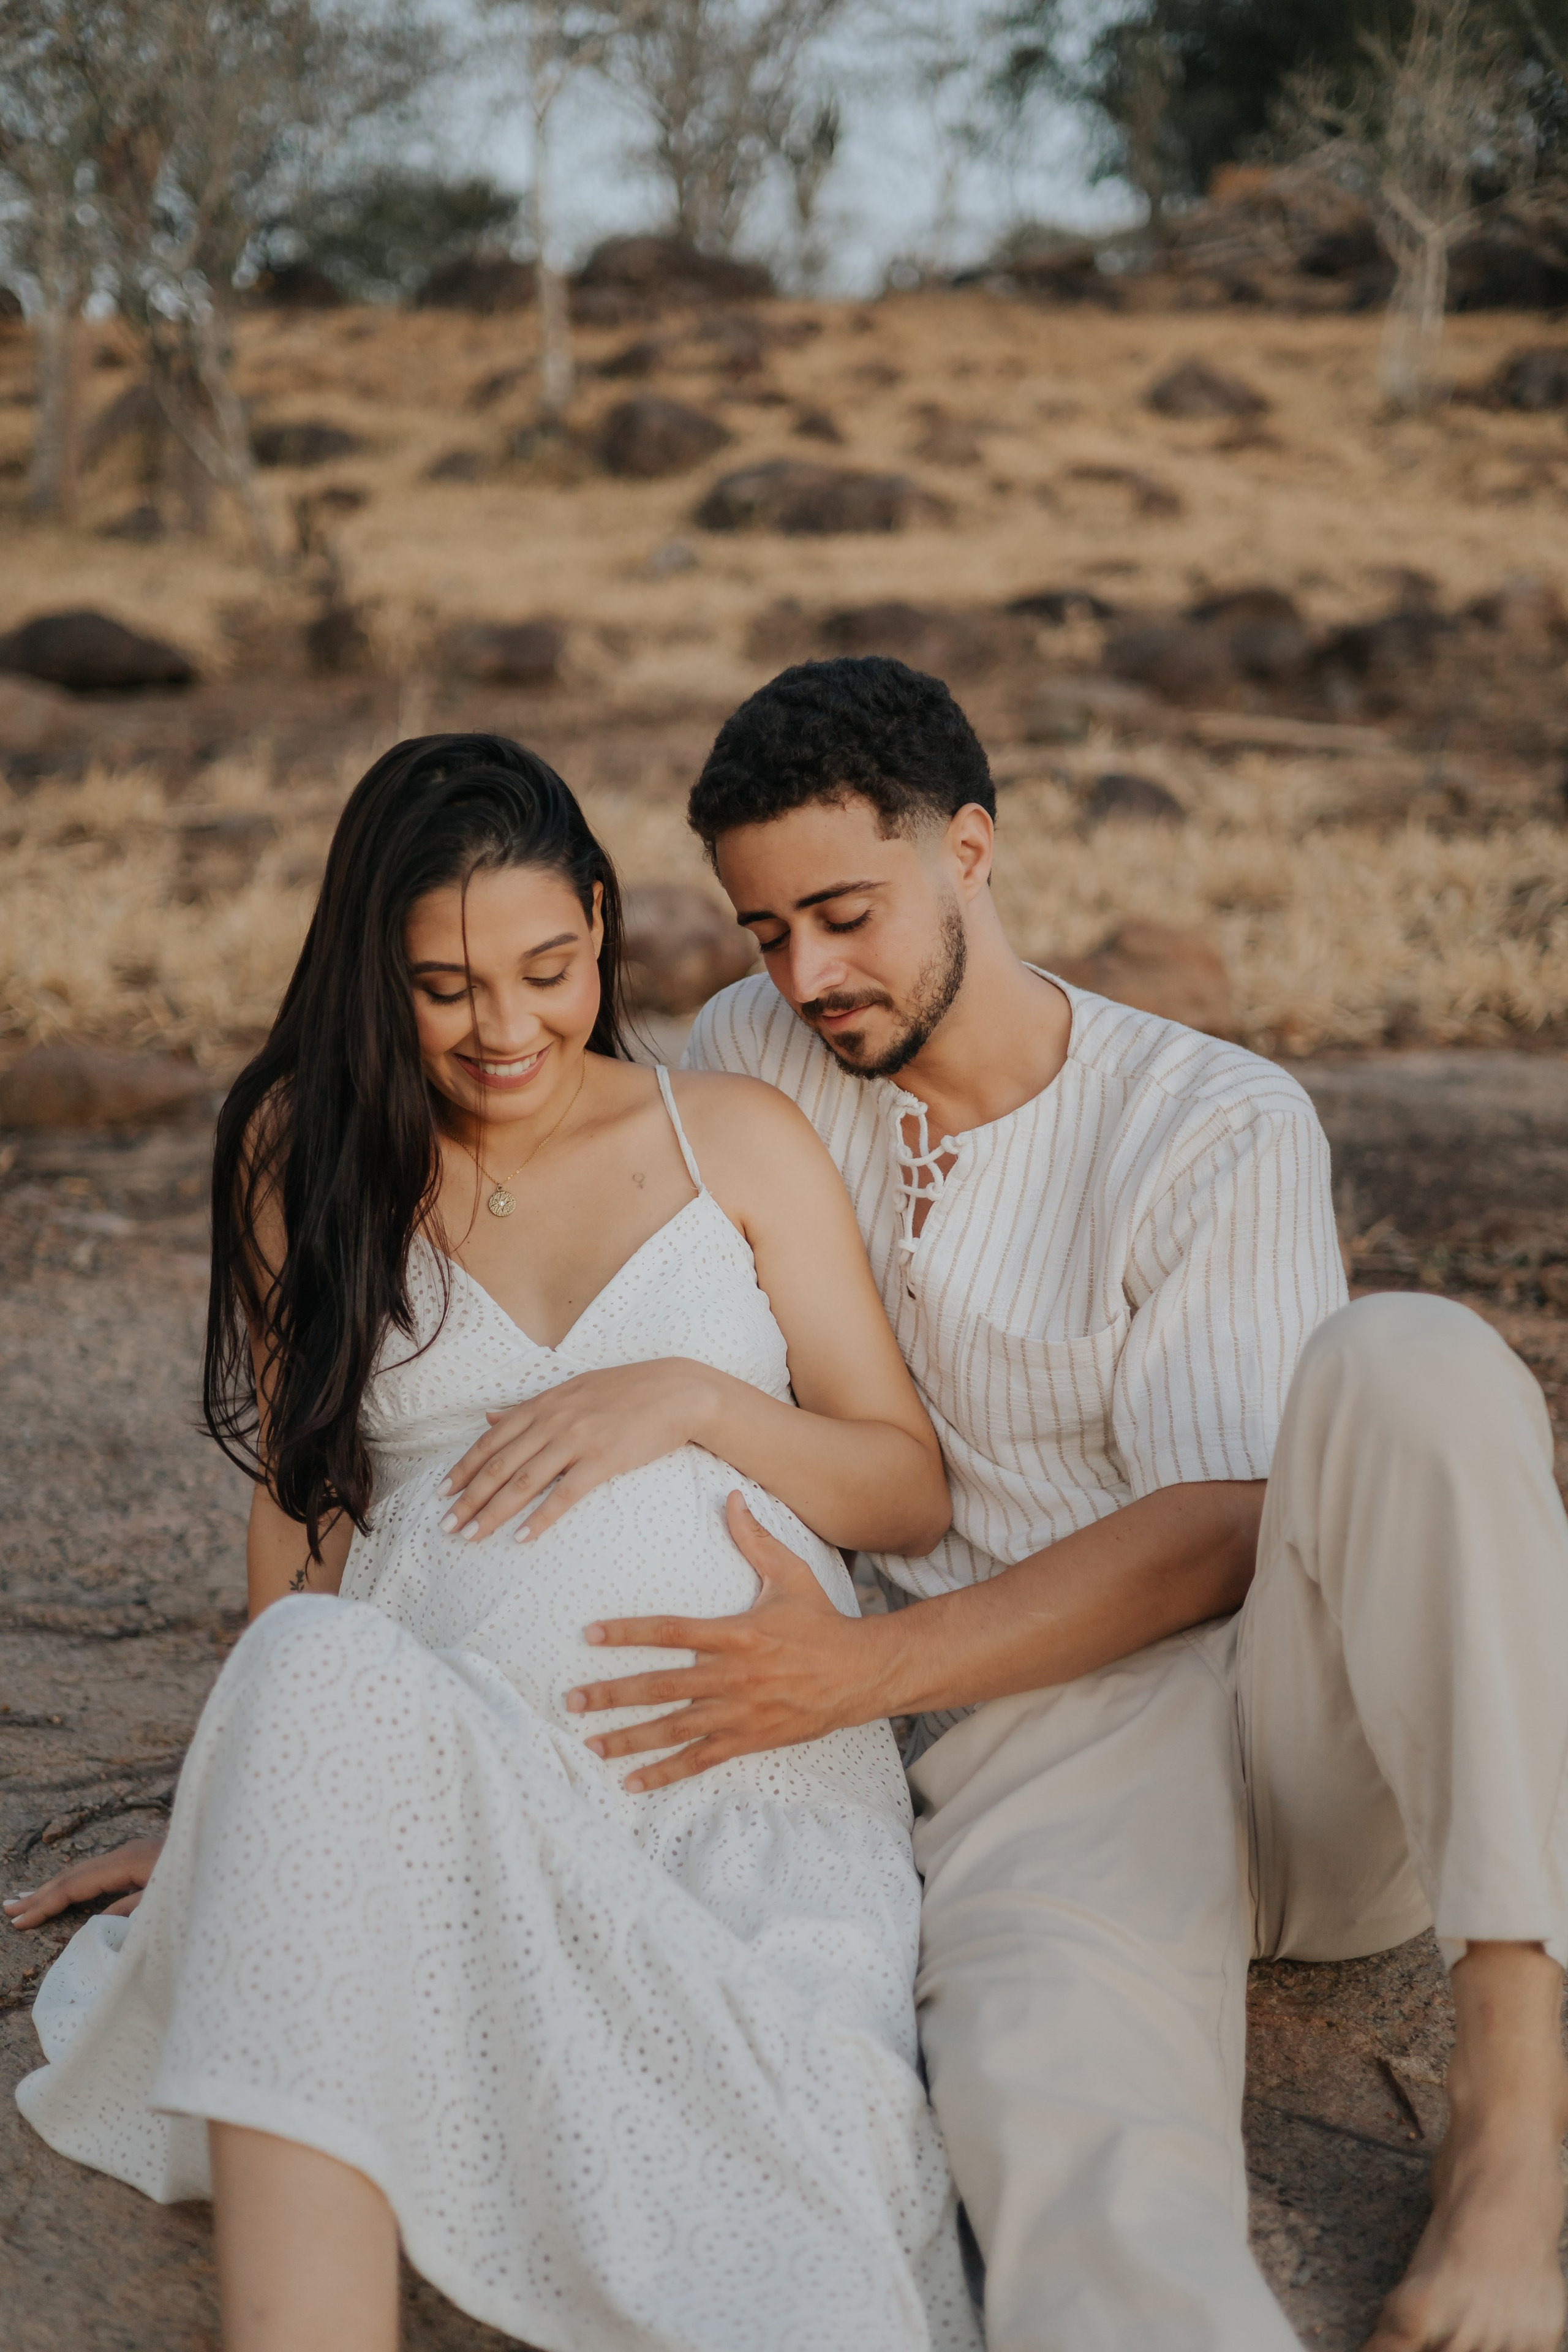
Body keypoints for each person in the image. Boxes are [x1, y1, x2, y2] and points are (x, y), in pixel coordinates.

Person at [558, 657, 1568, 2352]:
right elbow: (545, 1284)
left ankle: (1519, 2126)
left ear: (971, 849)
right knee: (1063, 2174)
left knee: (1415, 1363)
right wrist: (352, 1717)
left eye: (844, 913)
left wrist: (858, 1677)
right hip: (1035, 1760)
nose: (807, 974)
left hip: (1303, 1727)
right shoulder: (756, 1054)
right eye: (763, 933)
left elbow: (1228, 1525)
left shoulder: (1211, 1119)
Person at [6, 733, 982, 2352]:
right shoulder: (305, 1161)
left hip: (736, 1785)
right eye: (445, 988)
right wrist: (242, 1790)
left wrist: (688, 1398)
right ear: (369, 976)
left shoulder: (729, 1140)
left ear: (601, 923)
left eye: (547, 970)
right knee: (315, 1668)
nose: (507, 1028)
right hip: (438, 1762)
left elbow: (903, 1484)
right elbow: (306, 1502)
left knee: (790, 2213)